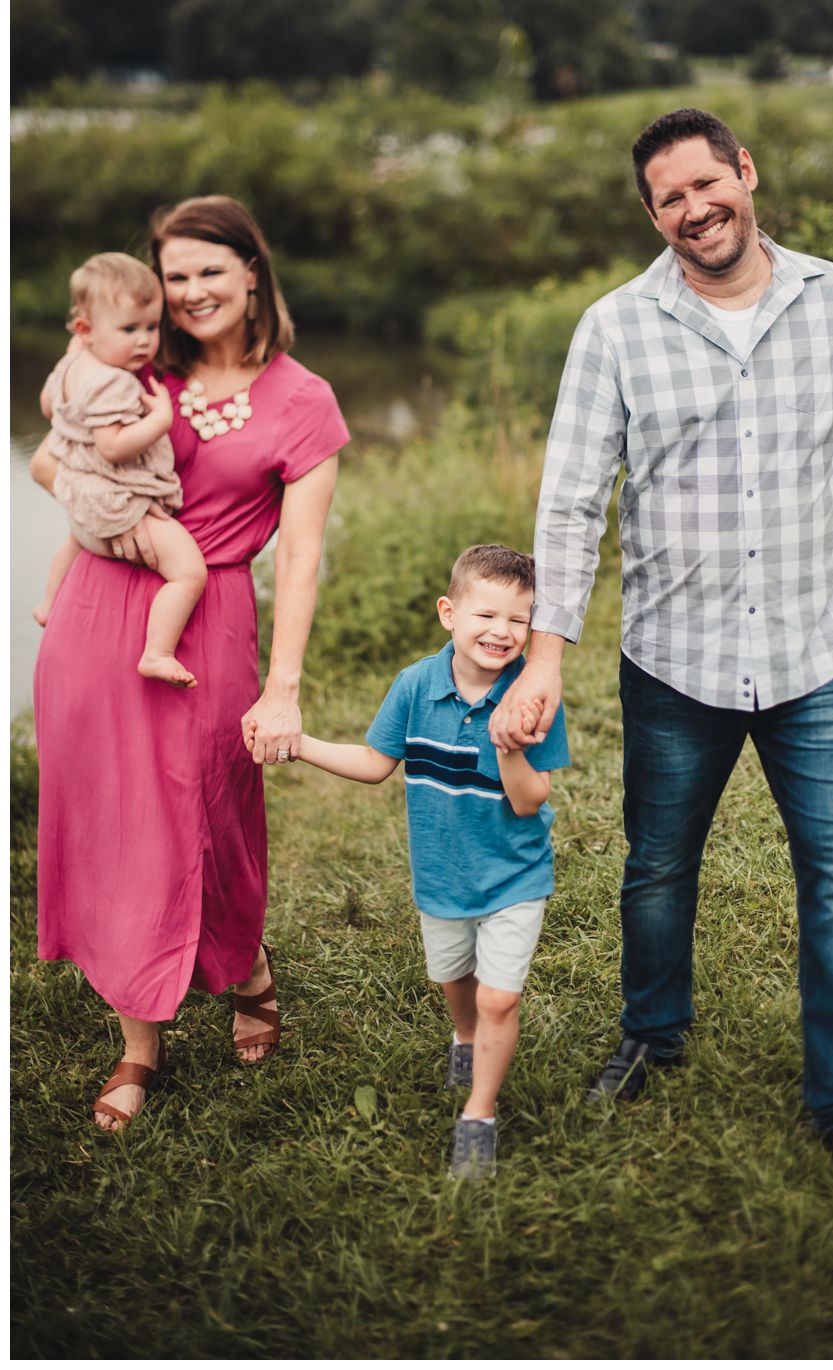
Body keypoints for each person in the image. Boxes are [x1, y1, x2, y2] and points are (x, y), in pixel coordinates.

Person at [490, 108, 833, 1194]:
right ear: (652, 215)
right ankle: (654, 1031)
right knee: (655, 868)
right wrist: (546, 653)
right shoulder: (613, 328)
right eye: (670, 199)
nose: (696, 210)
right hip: (672, 660)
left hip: (816, 655)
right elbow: (569, 505)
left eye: (709, 183)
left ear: (747, 171)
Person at [35, 195, 348, 1131]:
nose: (192, 291)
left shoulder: (304, 399)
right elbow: (48, 461)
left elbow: (296, 557)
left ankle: (244, 967)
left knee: (213, 810)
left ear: (254, 272)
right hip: (99, 605)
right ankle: (138, 1042)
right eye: (175, 277)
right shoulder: (133, 364)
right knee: (113, 819)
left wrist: (284, 685)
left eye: (211, 270)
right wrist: (94, 490)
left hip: (204, 616)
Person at [289, 545, 570, 1181]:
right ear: (449, 612)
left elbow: (530, 803)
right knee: (454, 981)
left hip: (513, 877)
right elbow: (374, 764)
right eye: (486, 614)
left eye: (518, 620)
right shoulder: (415, 686)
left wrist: (510, 747)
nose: (501, 631)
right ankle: (464, 1039)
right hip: (441, 876)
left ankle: (480, 1114)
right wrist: (300, 745)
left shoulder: (533, 694)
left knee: (499, 998)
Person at [36, 252, 208, 687]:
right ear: (85, 330)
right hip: (119, 503)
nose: (144, 341)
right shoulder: (112, 381)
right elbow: (112, 447)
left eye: (151, 327)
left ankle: (48, 603)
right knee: (189, 571)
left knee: (74, 540)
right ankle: (157, 652)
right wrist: (160, 420)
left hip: (83, 503)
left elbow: (48, 407)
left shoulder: (72, 365)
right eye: (129, 329)